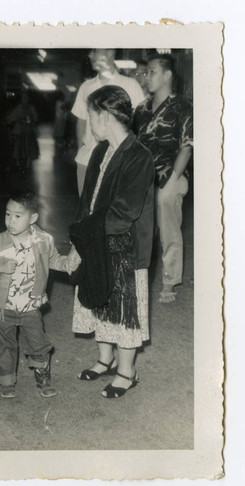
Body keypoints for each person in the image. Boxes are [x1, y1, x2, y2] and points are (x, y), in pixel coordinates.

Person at [69, 85, 154, 398]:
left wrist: (90, 235)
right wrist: (77, 235)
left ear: (103, 116)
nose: (90, 123)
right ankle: (105, 359)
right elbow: (86, 200)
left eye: (91, 116)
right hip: (95, 237)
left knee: (123, 309)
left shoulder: (139, 156)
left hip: (124, 246)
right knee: (98, 299)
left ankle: (127, 371)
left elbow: (126, 210)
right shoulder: (99, 151)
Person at [0, 190, 78, 399]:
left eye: (17, 215)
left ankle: (42, 375)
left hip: (31, 304)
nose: (10, 221)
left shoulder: (44, 240)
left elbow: (53, 260)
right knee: (5, 344)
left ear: (32, 218)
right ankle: (6, 380)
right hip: (2, 306)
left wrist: (67, 263)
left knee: (37, 342)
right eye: (7, 214)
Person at [133, 53, 193, 303]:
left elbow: (187, 147)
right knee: (141, 232)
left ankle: (169, 281)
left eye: (153, 71)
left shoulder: (182, 107)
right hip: (143, 178)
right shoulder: (141, 109)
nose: (147, 77)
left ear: (167, 75)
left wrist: (171, 182)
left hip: (171, 176)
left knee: (169, 233)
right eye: (146, 72)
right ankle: (137, 279)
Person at [71, 49, 145, 196]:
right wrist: (82, 150)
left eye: (94, 51)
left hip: (120, 164)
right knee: (86, 213)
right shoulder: (86, 87)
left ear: (110, 52)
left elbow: (141, 123)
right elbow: (81, 122)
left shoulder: (130, 85)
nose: (90, 55)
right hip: (87, 161)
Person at [8, 92, 39, 175]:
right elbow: (12, 117)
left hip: (28, 130)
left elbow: (35, 117)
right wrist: (18, 120)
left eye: (26, 98)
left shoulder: (31, 108)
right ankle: (18, 163)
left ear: (28, 99)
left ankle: (28, 163)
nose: (24, 99)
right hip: (19, 130)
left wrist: (31, 119)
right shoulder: (18, 108)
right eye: (23, 98)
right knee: (18, 146)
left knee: (28, 146)